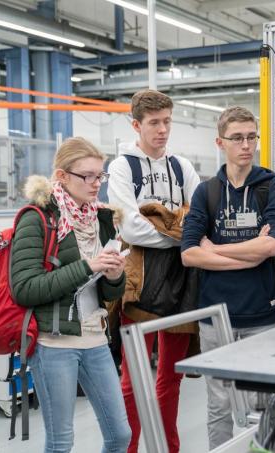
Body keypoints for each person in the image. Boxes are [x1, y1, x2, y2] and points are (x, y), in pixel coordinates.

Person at [180, 106, 275, 449]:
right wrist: (248, 253)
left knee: (264, 405)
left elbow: (271, 247)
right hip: (216, 319)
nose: (246, 145)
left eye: (251, 137)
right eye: (237, 138)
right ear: (220, 142)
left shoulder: (271, 186)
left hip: (262, 316)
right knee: (219, 405)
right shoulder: (206, 192)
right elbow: (188, 254)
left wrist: (215, 250)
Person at [10, 137, 130, 453]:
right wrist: (87, 266)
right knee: (61, 441)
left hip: (96, 338)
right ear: (62, 176)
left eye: (99, 176)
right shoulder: (38, 218)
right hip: (54, 344)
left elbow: (107, 291)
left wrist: (115, 276)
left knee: (120, 435)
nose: (95, 184)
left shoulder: (103, 218)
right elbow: (24, 289)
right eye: (86, 176)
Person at [106, 89, 201, 453]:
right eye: (154, 123)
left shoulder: (182, 166)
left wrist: (175, 230)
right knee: (133, 380)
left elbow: (200, 218)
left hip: (181, 282)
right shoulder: (122, 167)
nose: (162, 130)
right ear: (136, 124)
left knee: (171, 378)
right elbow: (130, 228)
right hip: (140, 282)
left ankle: (166, 448)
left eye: (167, 122)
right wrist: (181, 234)